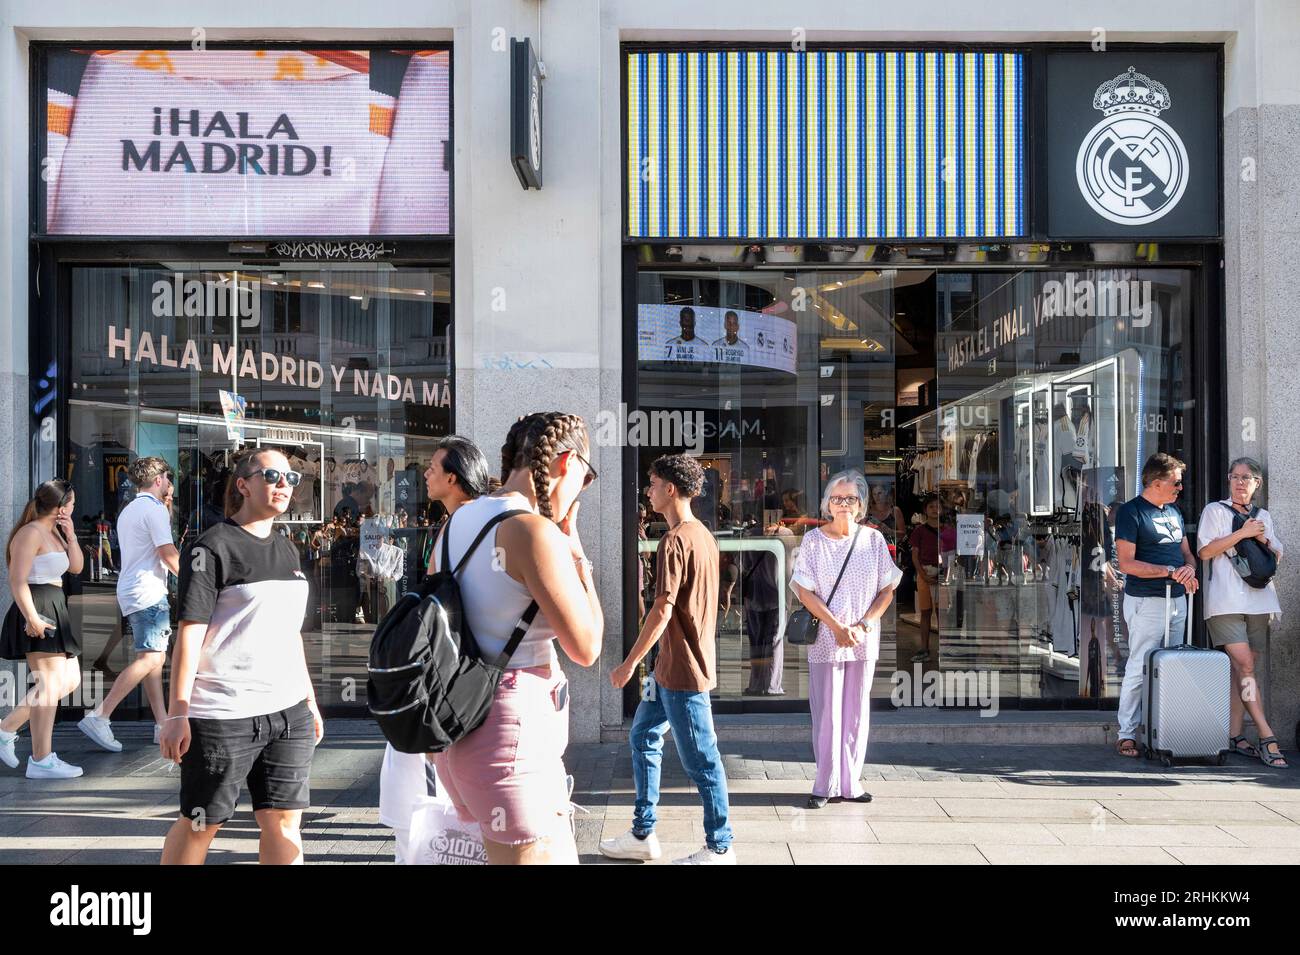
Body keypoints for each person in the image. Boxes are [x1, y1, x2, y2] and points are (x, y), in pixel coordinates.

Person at [430, 413, 602, 865]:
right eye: (586, 478)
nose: (581, 492)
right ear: (566, 462)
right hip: (511, 732)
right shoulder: (533, 531)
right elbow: (587, 646)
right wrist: (576, 549)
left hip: (459, 723)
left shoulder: (458, 521)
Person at [159, 447, 324, 864]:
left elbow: (290, 633)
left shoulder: (287, 549)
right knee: (201, 823)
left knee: (285, 822)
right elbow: (189, 634)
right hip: (223, 712)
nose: (284, 484)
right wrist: (178, 712)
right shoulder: (213, 546)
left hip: (287, 712)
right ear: (244, 484)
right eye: (273, 476)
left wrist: (308, 699)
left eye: (292, 478)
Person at [604, 453, 735, 865]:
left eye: (653, 483)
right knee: (643, 736)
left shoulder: (675, 540)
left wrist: (628, 664)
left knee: (703, 761)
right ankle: (643, 833)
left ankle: (721, 847)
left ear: (670, 489)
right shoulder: (704, 536)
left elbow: (662, 609)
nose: (648, 491)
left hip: (683, 673)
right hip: (670, 670)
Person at [380, 435, 492, 864]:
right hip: (450, 678)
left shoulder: (463, 525)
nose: (425, 473)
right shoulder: (461, 523)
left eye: (433, 467)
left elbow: (447, 617)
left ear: (454, 476)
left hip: (447, 679)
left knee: (431, 803)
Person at [791, 470, 901, 809]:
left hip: (862, 640)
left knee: (856, 713)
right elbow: (803, 590)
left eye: (850, 499)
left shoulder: (874, 540)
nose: (843, 505)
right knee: (826, 713)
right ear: (827, 503)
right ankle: (824, 784)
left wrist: (864, 624)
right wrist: (836, 626)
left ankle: (851, 782)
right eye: (837, 498)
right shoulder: (813, 541)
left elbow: (887, 588)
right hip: (827, 639)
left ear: (861, 504)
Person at [78, 457, 181, 754]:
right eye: (168, 477)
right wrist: (193, 580)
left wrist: (168, 507)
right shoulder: (153, 510)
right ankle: (101, 714)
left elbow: (155, 543)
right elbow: (167, 552)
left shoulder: (132, 509)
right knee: (151, 659)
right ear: (159, 479)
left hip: (133, 590)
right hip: (148, 591)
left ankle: (161, 722)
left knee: (151, 658)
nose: (170, 483)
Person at [1196, 457, 1287, 768]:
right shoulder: (1214, 511)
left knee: (1243, 671)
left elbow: (1277, 554)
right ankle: (1267, 735)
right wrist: (1242, 534)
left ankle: (1235, 735)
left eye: (1246, 478)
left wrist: (1260, 535)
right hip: (1225, 604)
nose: (1239, 482)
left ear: (1256, 484)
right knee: (1246, 666)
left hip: (1260, 602)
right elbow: (1205, 551)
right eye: (1234, 476)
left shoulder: (1264, 517)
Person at [1113, 452, 1199, 758]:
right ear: (1157, 481)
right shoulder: (1131, 512)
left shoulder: (1174, 512)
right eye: (1176, 482)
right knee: (1140, 664)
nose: (1180, 488)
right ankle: (1127, 733)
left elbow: (1186, 553)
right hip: (1147, 600)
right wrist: (1170, 572)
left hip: (1177, 599)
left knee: (1172, 666)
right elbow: (1127, 563)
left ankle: (1167, 729)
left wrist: (1189, 570)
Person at [0, 480, 86, 778]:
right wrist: (32, 617)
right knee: (49, 686)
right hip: (37, 606)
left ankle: (12, 733)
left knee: (69, 680)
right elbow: (17, 579)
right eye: (72, 503)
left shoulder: (55, 532)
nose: (74, 508)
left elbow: (75, 567)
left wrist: (72, 536)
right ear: (62, 506)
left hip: (55, 605)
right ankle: (38, 756)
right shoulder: (30, 532)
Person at [908, 494, 941, 663]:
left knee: (942, 612)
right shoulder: (919, 530)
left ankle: (944, 648)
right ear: (925, 510)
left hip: (943, 573)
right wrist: (923, 575)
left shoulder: (948, 529)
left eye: (938, 506)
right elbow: (915, 556)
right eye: (931, 507)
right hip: (924, 574)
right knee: (926, 612)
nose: (935, 510)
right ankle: (924, 648)